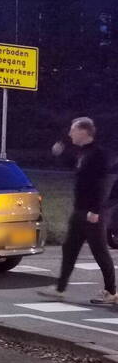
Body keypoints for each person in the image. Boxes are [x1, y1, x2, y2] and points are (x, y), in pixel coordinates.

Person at [37, 117, 116, 306]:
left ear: (83, 131)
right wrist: (61, 154)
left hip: (91, 213)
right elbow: (76, 168)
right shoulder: (83, 153)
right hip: (79, 211)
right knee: (69, 249)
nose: (70, 133)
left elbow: (101, 184)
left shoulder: (98, 154)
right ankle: (60, 288)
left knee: (99, 252)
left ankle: (111, 291)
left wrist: (96, 210)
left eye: (73, 130)